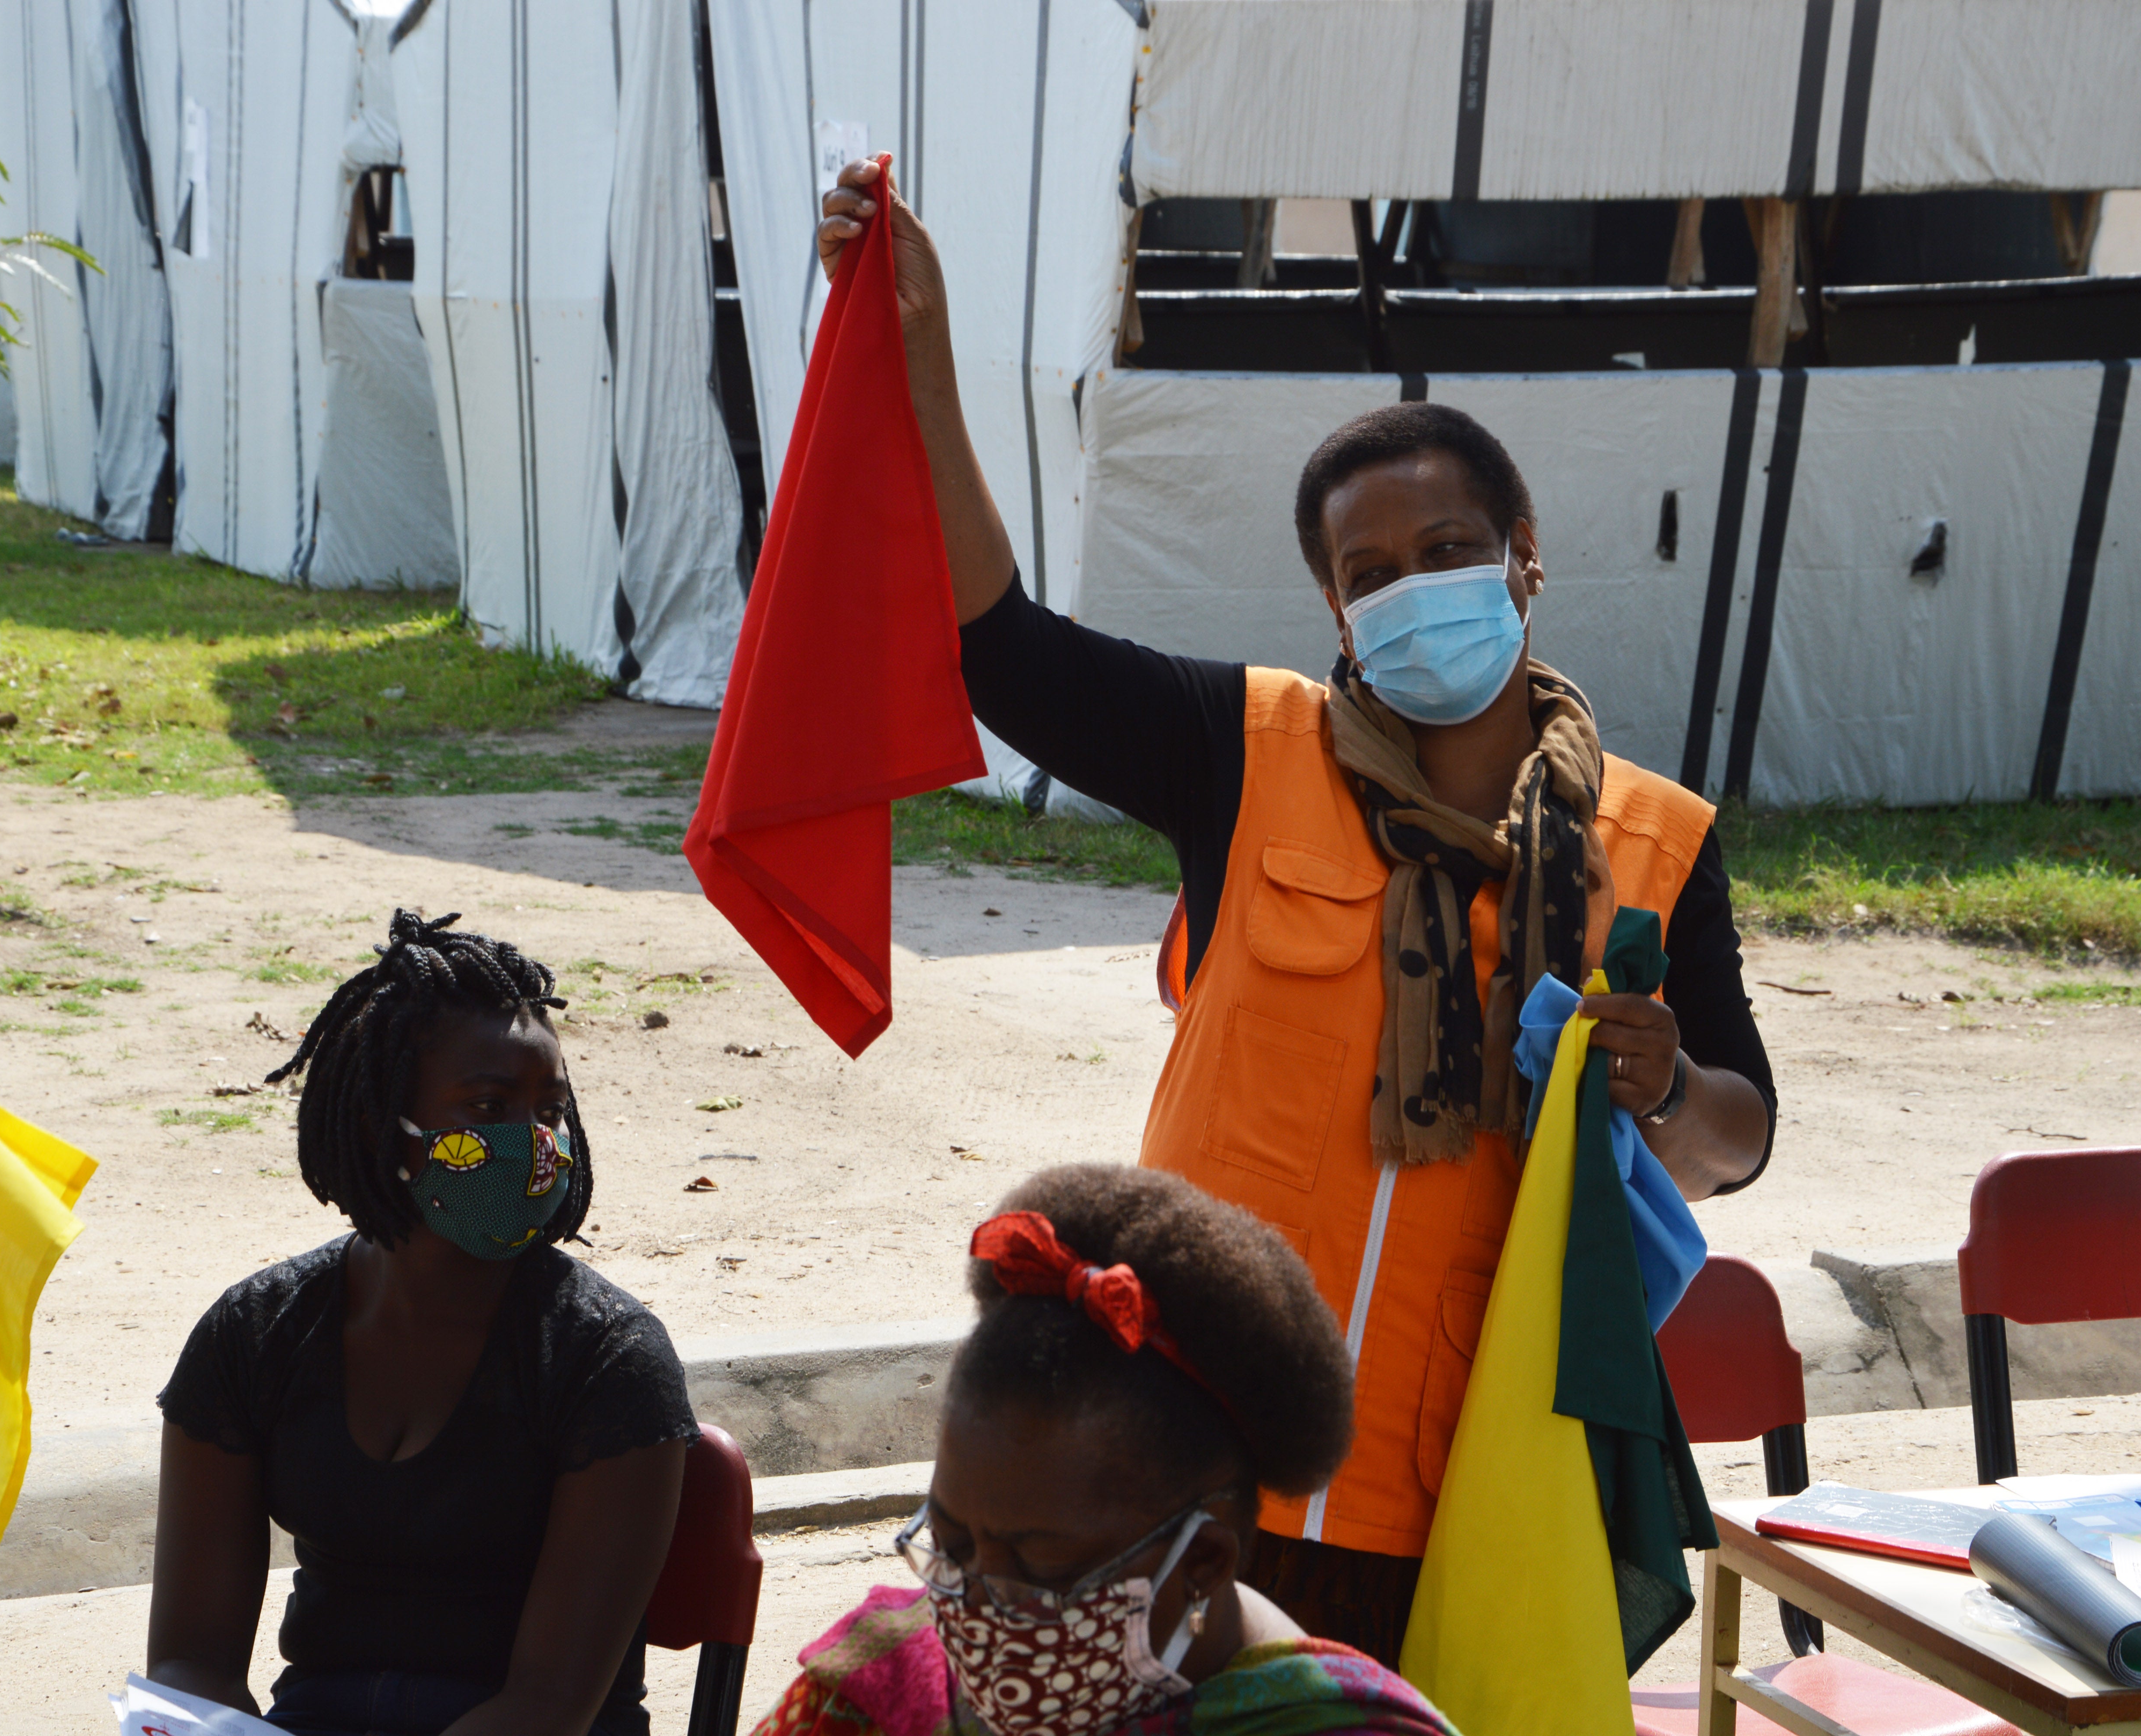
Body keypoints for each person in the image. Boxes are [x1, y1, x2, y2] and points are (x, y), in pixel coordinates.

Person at [818, 160, 1776, 1665]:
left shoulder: (1655, 839)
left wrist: (1662, 1083)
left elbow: (1740, 1139)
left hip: (1456, 1477)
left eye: (1450, 553)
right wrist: (921, 355)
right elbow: (1000, 650)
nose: (1414, 590)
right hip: (1192, 1470)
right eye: (1370, 573)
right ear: (1335, 611)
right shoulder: (1243, 750)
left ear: (1524, 557)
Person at [146, 911, 697, 1736]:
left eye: (549, 1110)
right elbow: (191, 1663)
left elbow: (548, 1705)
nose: (534, 1143)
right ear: (379, 1128)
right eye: (487, 1105)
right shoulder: (252, 1336)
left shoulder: (607, 1357)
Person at [751, 1164, 1462, 1736]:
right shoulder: (869, 1700)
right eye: (953, 1543)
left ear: (1202, 1563)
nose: (979, 1614)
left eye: (1042, 1566)